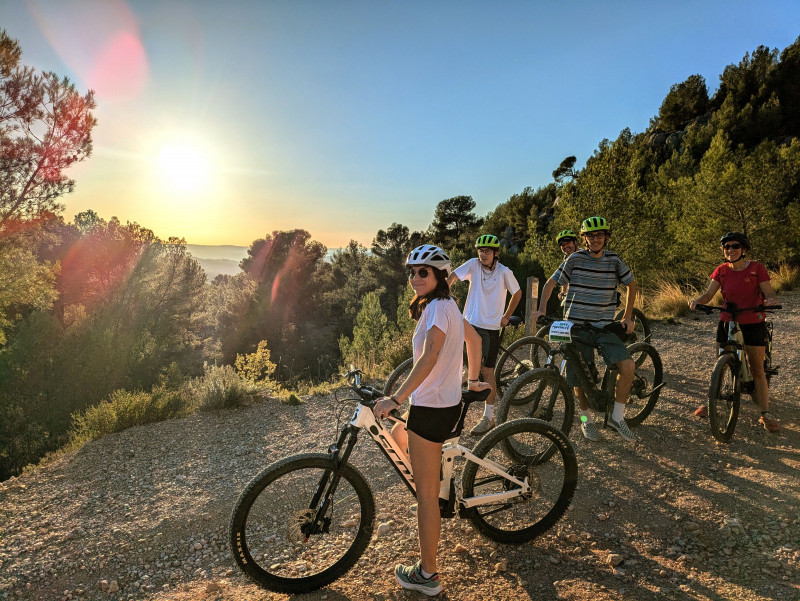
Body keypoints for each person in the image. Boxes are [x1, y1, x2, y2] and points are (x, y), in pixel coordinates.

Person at [372, 244, 464, 596]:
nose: (414, 278)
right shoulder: (444, 306)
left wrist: (396, 397)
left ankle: (428, 575)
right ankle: (435, 474)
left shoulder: (439, 308)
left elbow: (428, 359)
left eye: (422, 272)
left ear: (439, 274)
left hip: (433, 408)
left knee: (425, 496)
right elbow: (468, 337)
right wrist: (470, 379)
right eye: (411, 272)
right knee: (398, 430)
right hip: (437, 403)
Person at [531, 216, 638, 442]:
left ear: (606, 237)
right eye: (591, 235)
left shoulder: (614, 260)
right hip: (576, 326)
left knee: (627, 365)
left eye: (600, 235)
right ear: (585, 239)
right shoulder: (574, 259)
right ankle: (586, 421)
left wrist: (628, 317)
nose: (595, 239)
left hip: (604, 325)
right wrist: (541, 309)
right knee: (577, 375)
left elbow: (631, 284)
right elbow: (551, 283)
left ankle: (617, 417)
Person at [688, 232, 779, 432]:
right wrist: (697, 301)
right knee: (720, 364)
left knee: (757, 369)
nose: (730, 250)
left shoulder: (756, 268)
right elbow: (709, 294)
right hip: (727, 319)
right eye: (727, 246)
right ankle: (712, 401)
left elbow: (769, 292)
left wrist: (770, 300)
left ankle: (765, 413)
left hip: (752, 320)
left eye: (735, 246)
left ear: (744, 249)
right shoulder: (721, 270)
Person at [447, 234, 522, 435]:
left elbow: (518, 293)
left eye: (487, 251)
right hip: (469, 323)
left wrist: (506, 316)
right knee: (461, 364)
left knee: (487, 371)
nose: (483, 254)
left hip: (490, 327)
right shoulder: (473, 265)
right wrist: (443, 294)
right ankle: (450, 411)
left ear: (496, 253)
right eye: (480, 250)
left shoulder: (504, 272)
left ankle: (488, 418)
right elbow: (453, 275)